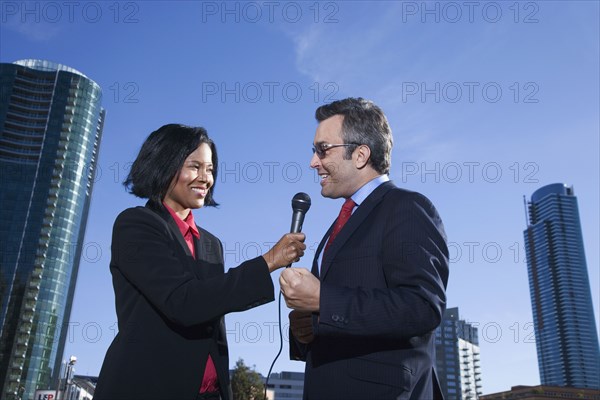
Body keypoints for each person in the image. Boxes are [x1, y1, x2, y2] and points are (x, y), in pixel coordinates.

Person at [94, 124, 306, 400]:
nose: (205, 178)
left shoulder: (210, 244)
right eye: (195, 166)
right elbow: (183, 302)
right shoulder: (136, 225)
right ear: (163, 164)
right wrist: (267, 262)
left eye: (210, 170)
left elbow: (212, 312)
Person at [280, 98, 449, 399]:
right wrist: (307, 326)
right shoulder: (339, 225)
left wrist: (322, 299)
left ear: (359, 155)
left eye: (322, 150)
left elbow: (422, 307)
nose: (313, 162)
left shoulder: (406, 208)